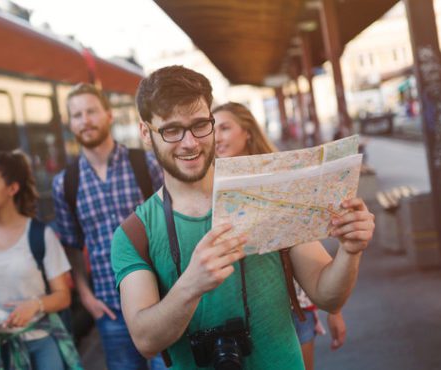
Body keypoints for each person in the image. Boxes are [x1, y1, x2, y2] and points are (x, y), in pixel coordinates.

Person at [111, 65, 375, 369]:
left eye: (200, 125)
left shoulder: (269, 192)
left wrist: (350, 251)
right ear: (146, 132)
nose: (190, 143)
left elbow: (328, 296)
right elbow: (145, 341)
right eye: (171, 130)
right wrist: (192, 284)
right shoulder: (134, 235)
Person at [213, 102, 348, 370]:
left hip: (294, 304)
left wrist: (335, 311)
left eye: (225, 128)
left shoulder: (280, 178)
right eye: (212, 129)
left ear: (247, 132)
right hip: (243, 314)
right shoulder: (208, 186)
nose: (217, 137)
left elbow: (309, 240)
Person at [51, 83, 166, 370]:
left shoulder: (146, 164)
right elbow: (72, 245)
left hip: (160, 301)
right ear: (70, 123)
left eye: (91, 111)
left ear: (108, 115)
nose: (85, 120)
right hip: (110, 312)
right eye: (77, 115)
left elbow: (172, 221)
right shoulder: (65, 183)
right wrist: (86, 296)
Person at [0, 151, 81, 369]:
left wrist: (35, 305)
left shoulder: (40, 235)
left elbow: (63, 297)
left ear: (12, 188)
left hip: (41, 344)